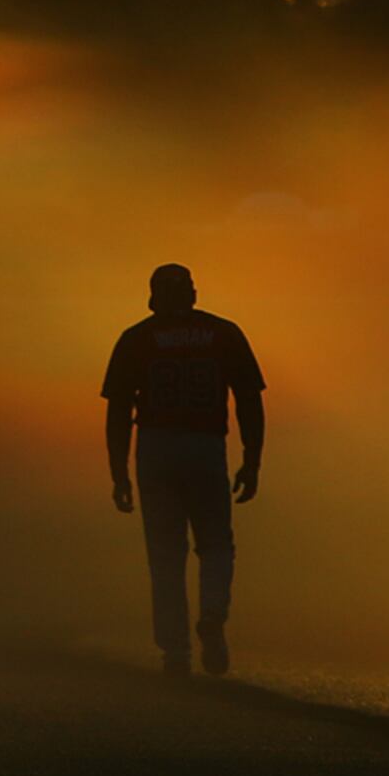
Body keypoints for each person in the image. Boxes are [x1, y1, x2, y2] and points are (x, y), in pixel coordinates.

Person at [102, 263, 264, 675]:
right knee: (215, 544)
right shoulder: (223, 333)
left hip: (155, 446)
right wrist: (252, 458)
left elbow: (118, 410)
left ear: (153, 297)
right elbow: (249, 398)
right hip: (206, 446)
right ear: (193, 294)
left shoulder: (136, 338)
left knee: (165, 554)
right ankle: (212, 614)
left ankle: (175, 651)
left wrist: (118, 473)